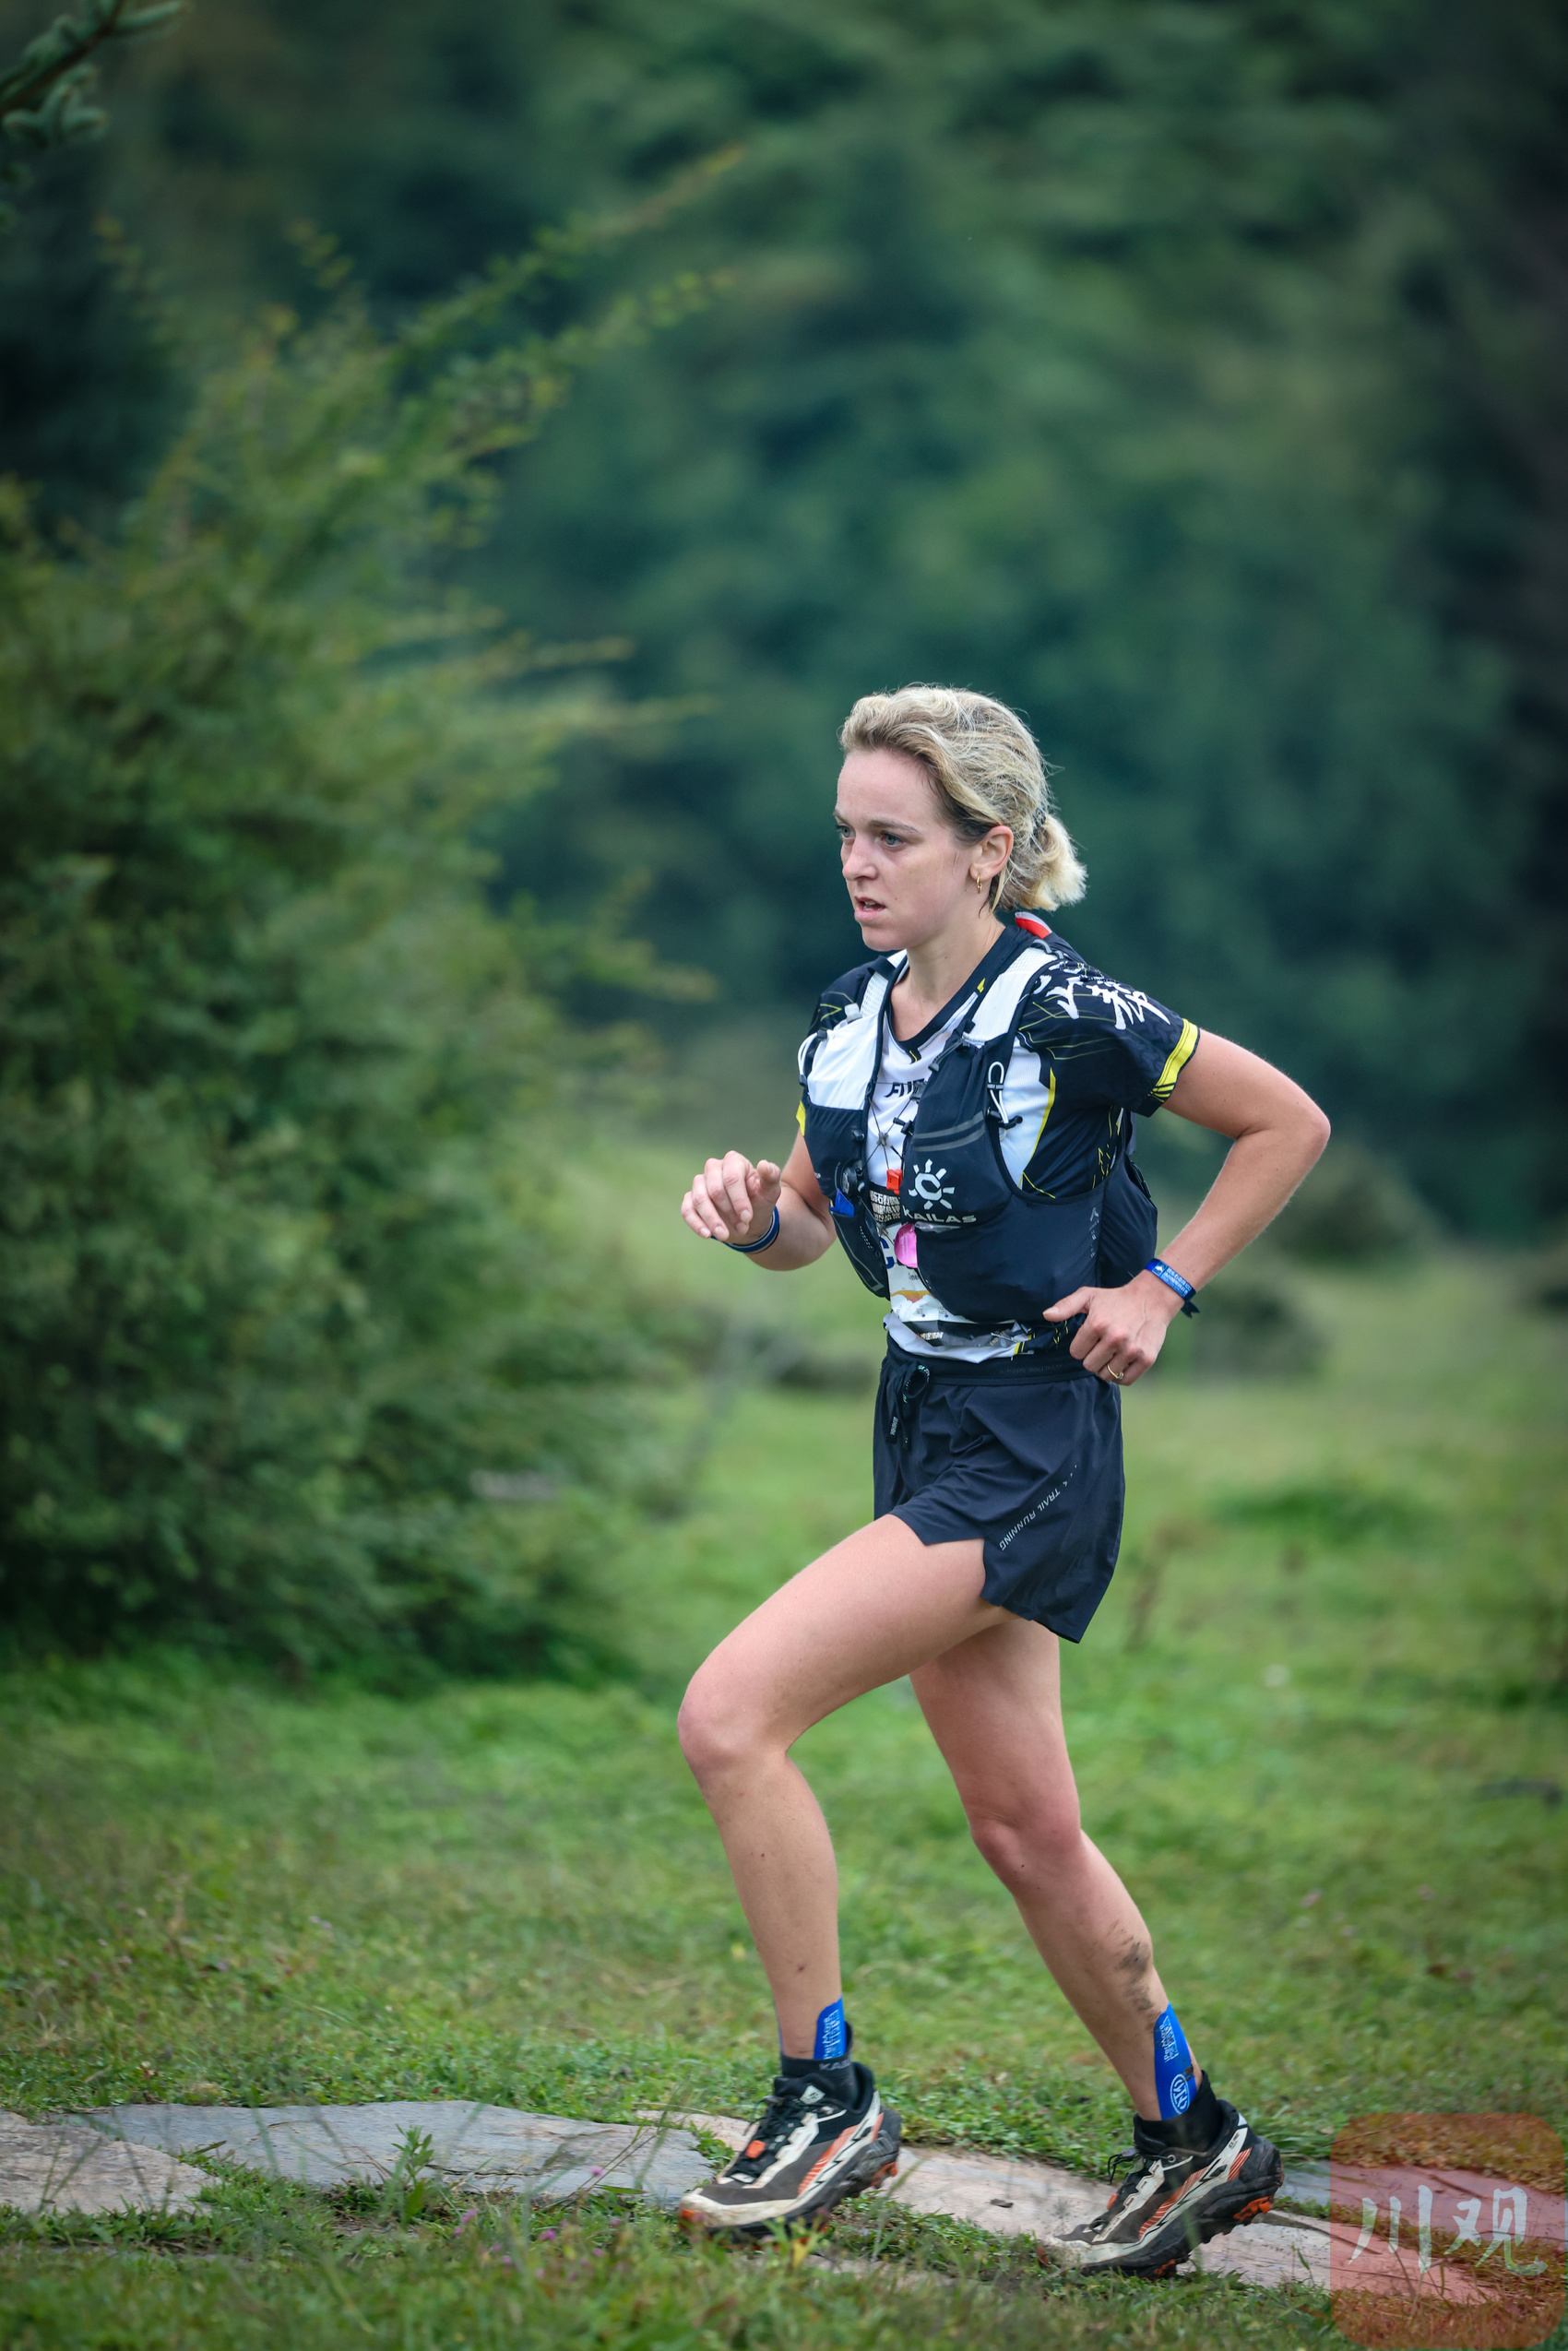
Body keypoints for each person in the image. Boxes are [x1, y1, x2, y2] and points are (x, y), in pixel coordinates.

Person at [674, 686, 1329, 2272]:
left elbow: (1286, 1123)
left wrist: (1162, 1285)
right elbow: (810, 1224)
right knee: (1028, 1827)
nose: (859, 862)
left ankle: (826, 2100)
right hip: (920, 1421)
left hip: (1031, 1442)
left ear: (991, 848)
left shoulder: (1072, 1009)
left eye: (894, 836)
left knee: (731, 1715)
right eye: (847, 832)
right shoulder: (849, 1016)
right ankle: (1198, 2138)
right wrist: (753, 1217)